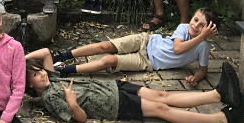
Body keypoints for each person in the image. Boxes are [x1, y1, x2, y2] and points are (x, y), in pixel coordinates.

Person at [24, 52, 244, 123]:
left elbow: (44, 53)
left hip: (113, 87)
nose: (42, 74)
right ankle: (225, 118)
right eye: (35, 75)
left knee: (163, 95)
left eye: (39, 71)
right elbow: (80, 120)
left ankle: (218, 95)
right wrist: (73, 105)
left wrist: (16, 63)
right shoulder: (50, 97)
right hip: (113, 105)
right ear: (30, 87)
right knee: (162, 109)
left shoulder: (50, 76)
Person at [47, 8, 219, 84]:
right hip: (147, 40)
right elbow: (178, 48)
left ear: (209, 31)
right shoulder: (183, 28)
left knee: (110, 60)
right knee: (106, 46)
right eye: (195, 19)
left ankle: (64, 70)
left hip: (147, 62)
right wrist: (201, 36)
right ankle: (63, 55)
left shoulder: (202, 46)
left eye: (202, 25)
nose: (196, 25)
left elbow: (203, 69)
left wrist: (196, 77)